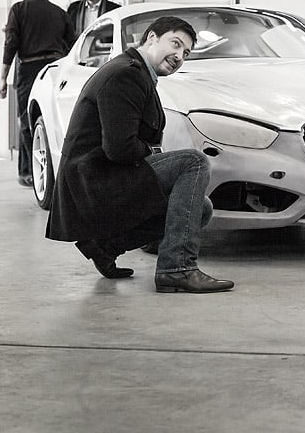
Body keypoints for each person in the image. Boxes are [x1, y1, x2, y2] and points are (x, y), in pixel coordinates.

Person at [46, 15, 234, 294]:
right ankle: (177, 268)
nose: (179, 56)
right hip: (95, 181)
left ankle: (105, 248)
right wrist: (154, 153)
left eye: (186, 52)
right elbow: (119, 148)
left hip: (102, 176)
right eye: (176, 43)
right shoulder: (126, 74)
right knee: (193, 162)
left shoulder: (137, 73)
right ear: (151, 38)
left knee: (201, 207)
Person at [0, 0, 74, 187]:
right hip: (54, 70)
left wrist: (2, 79)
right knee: (50, 119)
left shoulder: (19, 10)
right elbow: (72, 46)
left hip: (29, 69)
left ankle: (28, 172)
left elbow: (10, 45)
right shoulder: (60, 13)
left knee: (26, 121)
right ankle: (52, 171)